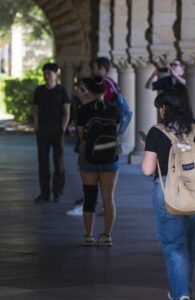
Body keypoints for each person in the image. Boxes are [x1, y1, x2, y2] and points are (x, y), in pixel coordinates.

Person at [141, 85, 195, 300]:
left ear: (165, 108)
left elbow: (147, 170)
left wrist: (149, 147)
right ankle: (182, 290)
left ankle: (181, 294)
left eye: (160, 107)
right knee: (189, 246)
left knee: (174, 246)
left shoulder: (156, 132)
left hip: (167, 194)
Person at [76, 76, 120, 247]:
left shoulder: (84, 110)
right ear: (104, 91)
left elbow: (81, 135)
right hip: (110, 157)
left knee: (90, 196)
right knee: (108, 198)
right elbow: (116, 131)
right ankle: (107, 236)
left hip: (89, 157)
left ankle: (88, 235)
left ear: (90, 91)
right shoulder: (113, 109)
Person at [33, 62, 71, 203]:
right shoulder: (39, 90)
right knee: (43, 163)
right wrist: (36, 126)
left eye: (49, 73)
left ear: (56, 74)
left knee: (58, 162)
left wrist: (63, 127)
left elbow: (67, 110)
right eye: (45, 73)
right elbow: (35, 109)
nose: (46, 76)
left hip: (57, 130)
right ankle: (44, 193)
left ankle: (57, 192)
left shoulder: (62, 91)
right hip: (43, 129)